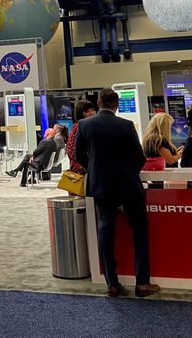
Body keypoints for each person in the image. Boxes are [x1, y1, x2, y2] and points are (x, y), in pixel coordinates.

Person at [75, 88, 160, 299]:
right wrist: (127, 172)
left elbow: (79, 156)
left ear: (99, 102)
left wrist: (95, 169)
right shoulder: (126, 125)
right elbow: (139, 158)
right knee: (139, 229)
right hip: (128, 185)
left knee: (105, 230)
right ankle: (142, 282)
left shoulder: (85, 125)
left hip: (101, 185)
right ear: (117, 105)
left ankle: (112, 283)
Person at [67, 101, 97, 174]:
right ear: (80, 113)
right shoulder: (78, 127)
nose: (91, 113)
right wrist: (83, 167)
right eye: (87, 111)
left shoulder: (93, 126)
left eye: (93, 110)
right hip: (82, 169)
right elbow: (71, 150)